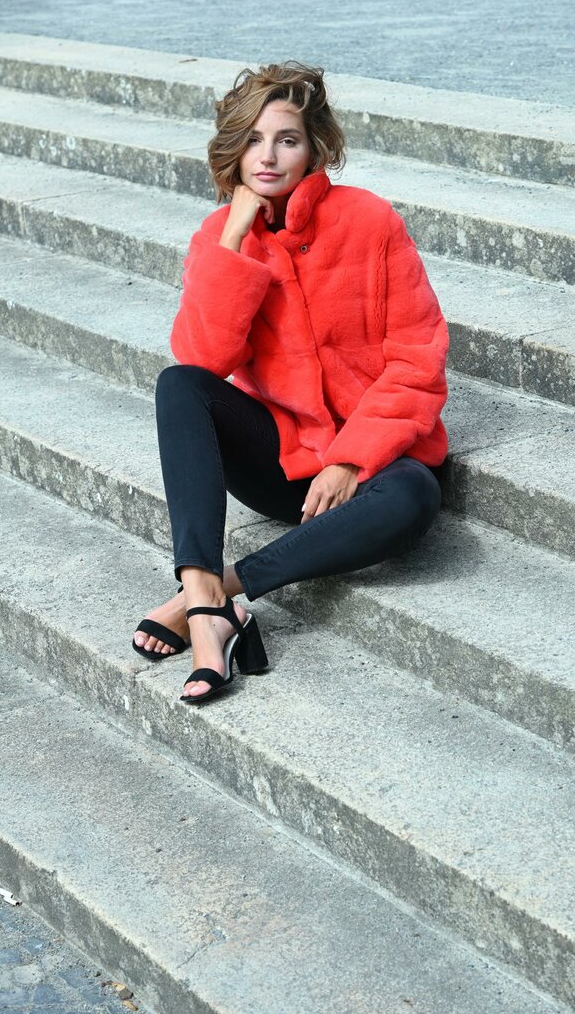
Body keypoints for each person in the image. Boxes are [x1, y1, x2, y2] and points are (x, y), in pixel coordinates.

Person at [132, 61, 449, 703]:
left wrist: (350, 459)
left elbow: (418, 358)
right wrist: (232, 238)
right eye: (253, 140)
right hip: (286, 468)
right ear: (233, 149)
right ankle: (204, 595)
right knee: (179, 385)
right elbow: (202, 356)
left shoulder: (369, 221)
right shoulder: (219, 237)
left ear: (313, 148)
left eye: (287, 139)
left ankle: (212, 596)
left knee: (415, 493)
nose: (269, 156)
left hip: (374, 466)